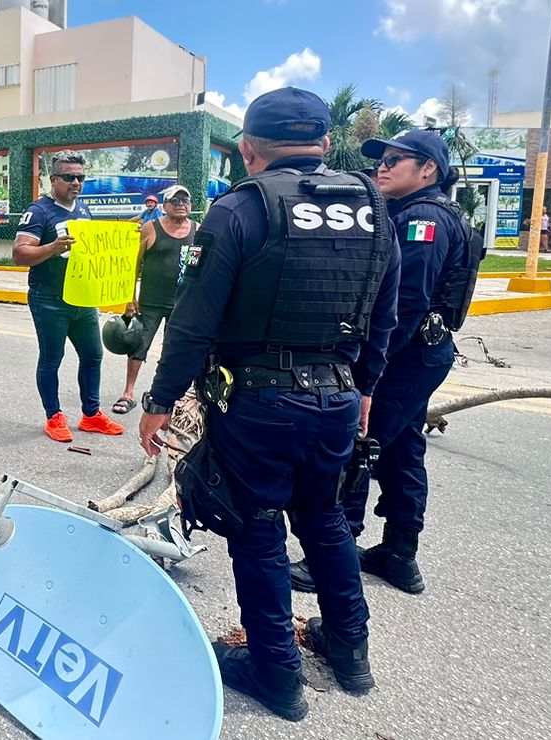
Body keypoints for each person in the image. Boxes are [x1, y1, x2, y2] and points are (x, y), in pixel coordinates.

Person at [136, 87, 400, 722]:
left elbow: (193, 322)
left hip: (258, 403)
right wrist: (363, 389)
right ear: (325, 144)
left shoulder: (237, 210)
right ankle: (350, 651)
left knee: (257, 532)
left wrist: (159, 401)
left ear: (248, 150)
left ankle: (275, 669)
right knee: (325, 519)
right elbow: (382, 317)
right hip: (336, 396)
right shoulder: (372, 206)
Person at [291, 130, 473, 598]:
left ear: (428, 169)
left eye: (397, 160)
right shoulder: (422, 212)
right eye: (382, 160)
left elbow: (404, 304)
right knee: (404, 447)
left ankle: (331, 557)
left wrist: (369, 371)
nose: (383, 167)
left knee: (357, 445)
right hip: (421, 353)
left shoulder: (423, 220)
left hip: (404, 354)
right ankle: (399, 553)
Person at [14, 151, 126, 442]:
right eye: (69, 177)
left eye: (81, 177)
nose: (76, 182)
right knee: (52, 359)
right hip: (49, 298)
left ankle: (91, 415)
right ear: (53, 179)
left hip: (82, 298)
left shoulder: (84, 210)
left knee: (93, 355)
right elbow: (19, 254)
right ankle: (54, 417)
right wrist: (52, 248)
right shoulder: (38, 211)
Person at [111, 184, 197, 415]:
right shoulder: (151, 228)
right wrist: (130, 298)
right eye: (175, 201)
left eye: (185, 200)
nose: (181, 205)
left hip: (182, 304)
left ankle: (167, 396)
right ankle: (128, 393)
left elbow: (199, 267)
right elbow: (133, 265)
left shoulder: (197, 230)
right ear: (165, 206)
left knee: (174, 350)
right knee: (138, 346)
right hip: (149, 301)